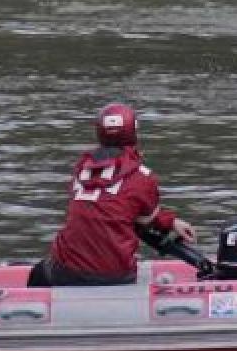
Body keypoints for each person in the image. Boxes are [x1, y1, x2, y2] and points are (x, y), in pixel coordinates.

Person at [28, 103, 195, 287]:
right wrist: (169, 221)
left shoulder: (81, 170)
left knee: (39, 272)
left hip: (67, 272)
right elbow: (143, 217)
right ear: (133, 132)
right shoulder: (142, 176)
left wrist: (169, 221)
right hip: (118, 275)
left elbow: (107, 205)